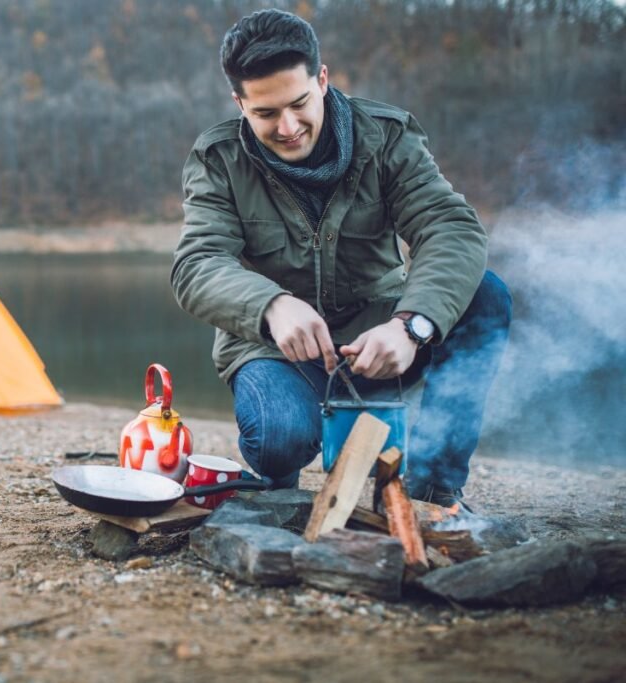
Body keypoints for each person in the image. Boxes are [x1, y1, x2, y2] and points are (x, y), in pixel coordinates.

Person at [171, 9, 511, 509]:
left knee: (487, 296)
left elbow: (451, 229)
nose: (288, 127)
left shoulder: (388, 137)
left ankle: (434, 487)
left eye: (299, 104)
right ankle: (278, 477)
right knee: (277, 440)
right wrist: (271, 306)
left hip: (380, 336)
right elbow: (196, 264)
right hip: (275, 349)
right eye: (265, 113)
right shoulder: (217, 159)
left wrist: (411, 326)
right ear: (239, 102)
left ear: (322, 79)